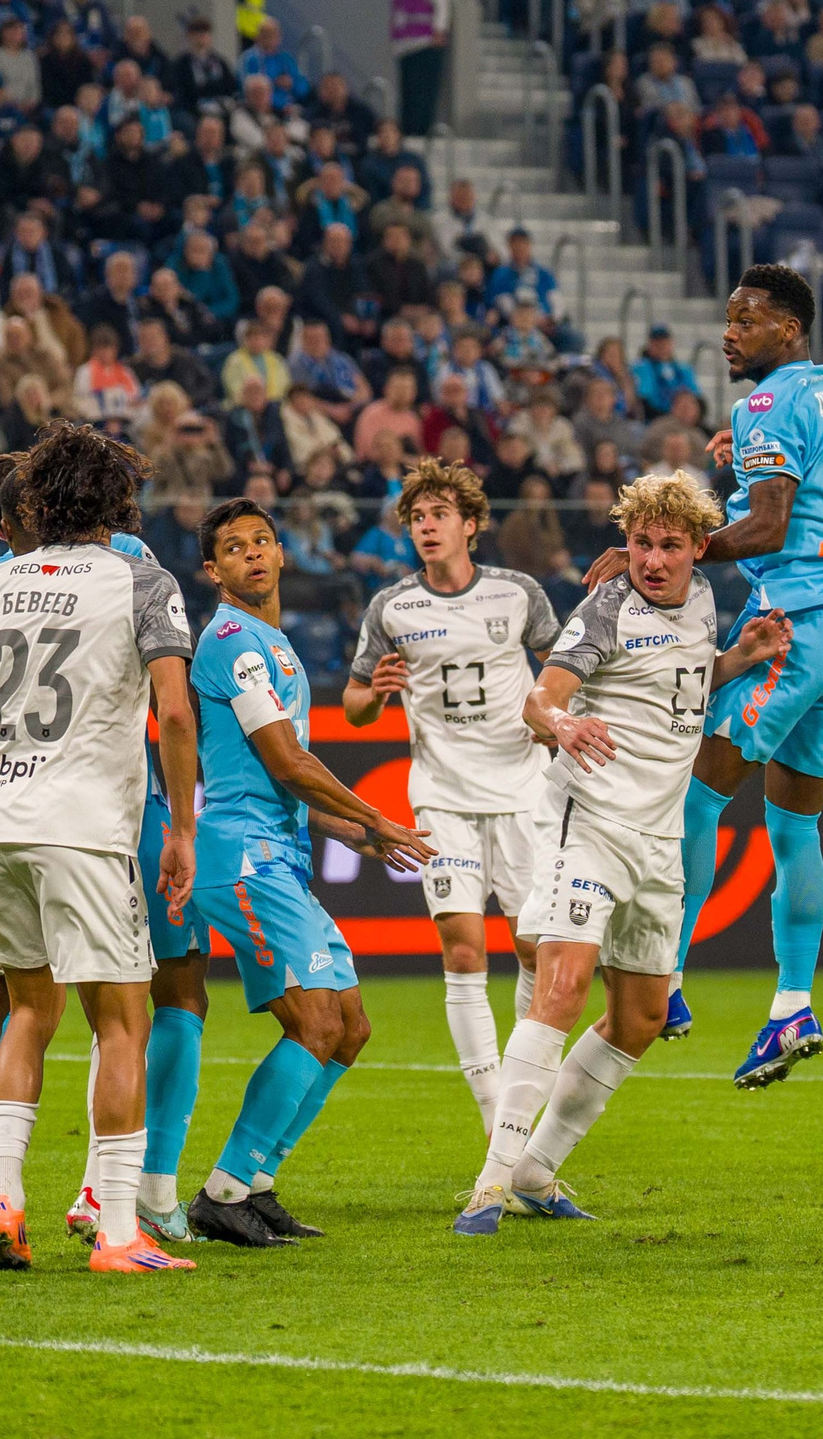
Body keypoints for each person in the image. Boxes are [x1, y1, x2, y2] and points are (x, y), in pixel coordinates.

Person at [457, 474, 792, 1235]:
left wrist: (740, 656)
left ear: (697, 549)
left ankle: (538, 1171)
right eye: (640, 542)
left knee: (639, 1018)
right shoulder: (607, 607)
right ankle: (490, 1183)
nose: (652, 558)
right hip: (593, 821)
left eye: (669, 545)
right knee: (565, 979)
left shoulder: (704, 598)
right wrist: (561, 725)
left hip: (661, 839)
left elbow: (681, 680)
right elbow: (539, 699)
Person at [584, 264, 823, 1084]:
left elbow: (767, 525)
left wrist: (671, 549)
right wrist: (757, 469)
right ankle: (792, 1007)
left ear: (787, 329)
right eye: (729, 318)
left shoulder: (762, 402)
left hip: (791, 630)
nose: (730, 332)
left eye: (747, 319)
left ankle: (669, 977)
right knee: (796, 830)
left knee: (695, 795)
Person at [0, 423, 201, 1273]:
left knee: (25, 1012)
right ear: (119, 501)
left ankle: (4, 1197)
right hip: (85, 827)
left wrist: (18, 756)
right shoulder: (143, 583)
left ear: (35, 502)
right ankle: (115, 1233)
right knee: (122, 1020)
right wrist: (180, 826)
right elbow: (175, 713)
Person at [183, 498, 433, 1247]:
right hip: (243, 860)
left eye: (263, 541)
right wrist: (376, 817)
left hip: (280, 855)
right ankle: (221, 1191)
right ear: (213, 569)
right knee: (317, 1020)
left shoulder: (274, 642)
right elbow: (288, 762)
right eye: (235, 548)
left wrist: (345, 831)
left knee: (350, 1026)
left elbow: (275, 778)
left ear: (282, 552)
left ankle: (255, 1183)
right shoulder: (232, 640)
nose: (253, 554)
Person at [342, 458, 560, 1131]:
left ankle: (522, 1100)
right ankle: (499, 1122)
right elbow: (353, 705)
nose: (426, 526)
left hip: (523, 789)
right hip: (441, 794)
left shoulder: (517, 593)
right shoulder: (392, 607)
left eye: (439, 515)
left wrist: (552, 717)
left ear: (471, 523)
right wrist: (371, 694)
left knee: (532, 950)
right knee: (463, 947)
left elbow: (563, 670)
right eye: (416, 518)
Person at [388, 0, 452, 136]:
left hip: (424, 42)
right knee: (407, 92)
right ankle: (408, 129)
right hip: (404, 45)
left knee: (422, 92)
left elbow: (442, 2)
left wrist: (439, 30)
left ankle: (421, 130)